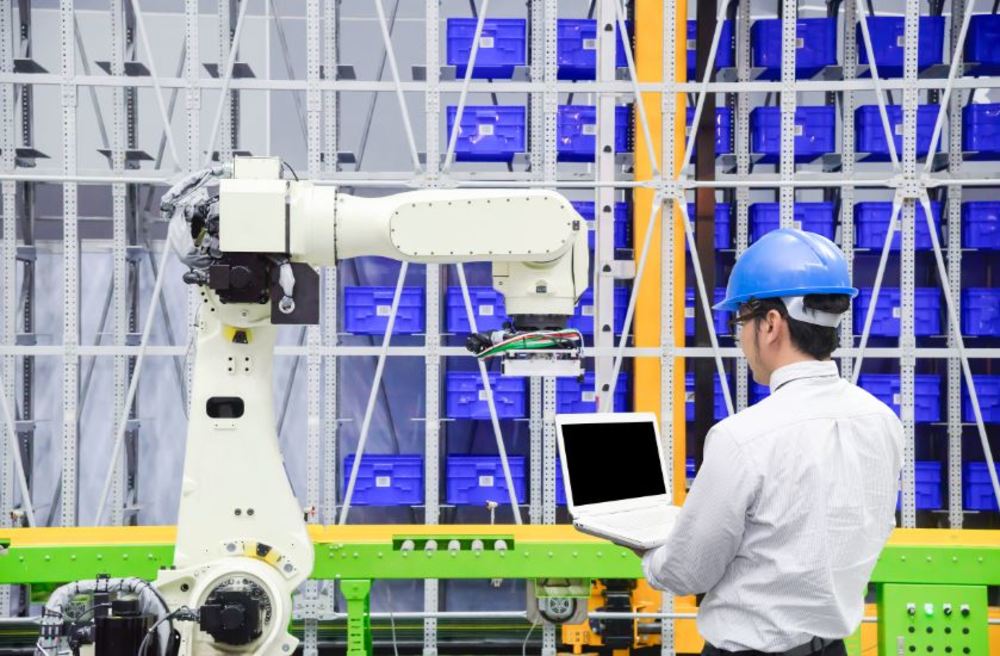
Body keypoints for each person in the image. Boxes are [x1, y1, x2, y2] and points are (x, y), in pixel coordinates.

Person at [640, 229, 903, 656]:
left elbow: (687, 574)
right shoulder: (882, 421)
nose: (740, 338)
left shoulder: (743, 438)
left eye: (740, 321)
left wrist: (650, 548)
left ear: (771, 325)